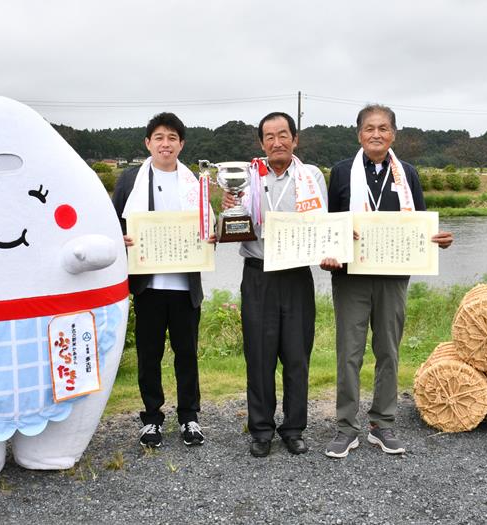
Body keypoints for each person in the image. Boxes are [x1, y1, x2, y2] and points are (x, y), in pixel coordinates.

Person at [320, 104, 453, 458]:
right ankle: (346, 427)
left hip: (393, 277)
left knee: (388, 351)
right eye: (369, 128)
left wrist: (437, 239)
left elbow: (421, 224)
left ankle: (383, 424)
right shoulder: (342, 172)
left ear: (393, 133)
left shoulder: (407, 173)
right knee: (349, 352)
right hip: (350, 278)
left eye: (383, 128)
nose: (376, 134)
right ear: (358, 134)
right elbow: (330, 225)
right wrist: (329, 252)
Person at [221, 112, 328, 457]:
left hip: (296, 273)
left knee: (297, 355)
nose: (277, 142)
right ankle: (261, 429)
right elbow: (232, 226)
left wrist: (331, 248)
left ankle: (294, 428)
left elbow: (323, 224)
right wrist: (228, 208)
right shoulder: (247, 176)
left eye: (283, 135)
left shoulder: (310, 176)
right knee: (259, 356)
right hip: (258, 272)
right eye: (269, 136)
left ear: (295, 140)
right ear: (261, 142)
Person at [112, 112, 214, 448]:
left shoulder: (196, 182)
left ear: (181, 144)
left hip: (186, 287)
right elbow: (111, 224)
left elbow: (207, 226)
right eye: (159, 137)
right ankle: (152, 418)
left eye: (172, 137)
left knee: (187, 354)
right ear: (148, 143)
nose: (165, 143)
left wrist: (210, 237)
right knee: (149, 354)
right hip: (148, 286)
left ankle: (189, 417)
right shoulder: (130, 180)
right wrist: (120, 238)